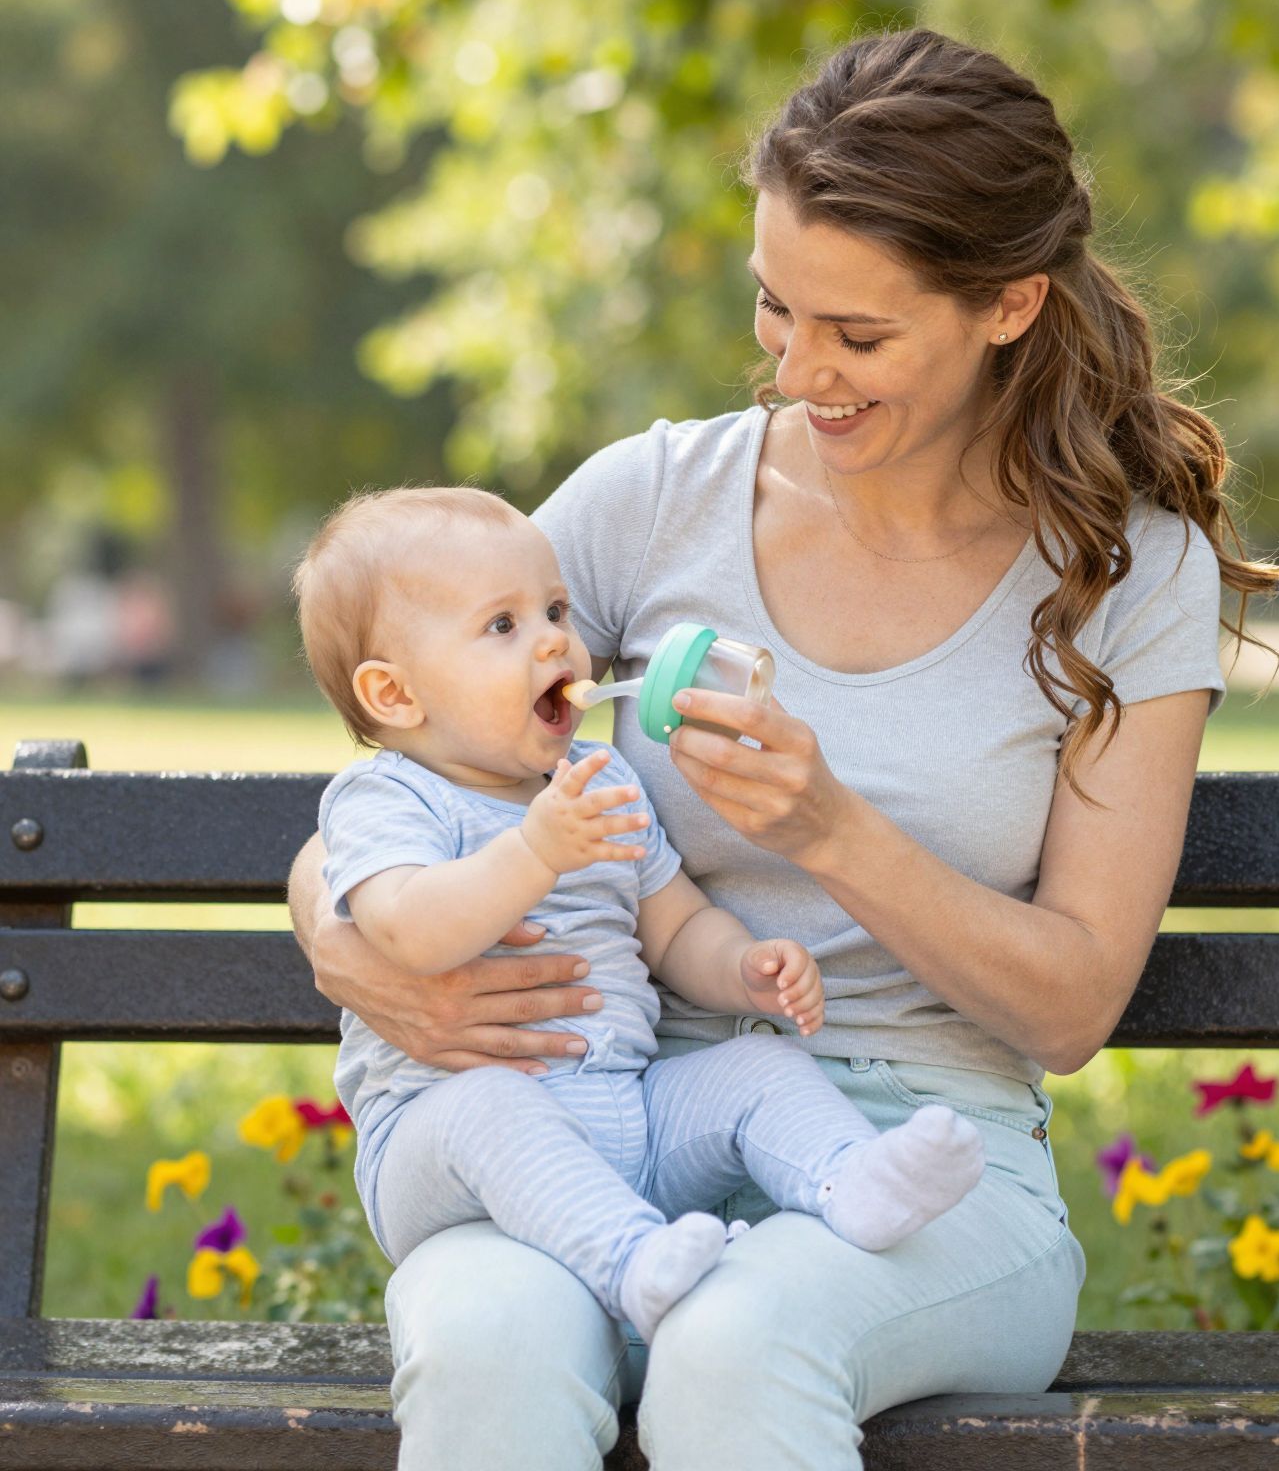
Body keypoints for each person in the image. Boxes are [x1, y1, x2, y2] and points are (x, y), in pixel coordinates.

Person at [286, 27, 1279, 1470]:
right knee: (483, 1336)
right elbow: (391, 769)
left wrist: (833, 831)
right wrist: (348, 943)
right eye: (776, 311)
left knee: (733, 1346)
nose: (797, 374)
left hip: (926, 1169)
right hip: (610, 1129)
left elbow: (1071, 1005)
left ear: (1007, 306)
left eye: (858, 335)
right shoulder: (653, 503)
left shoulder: (1128, 574)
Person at [292, 486, 986, 1344]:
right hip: (444, 1144)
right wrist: (535, 852)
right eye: (502, 627)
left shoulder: (601, 780)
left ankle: (855, 1182)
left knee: (756, 1072)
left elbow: (676, 925)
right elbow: (407, 930)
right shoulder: (388, 798)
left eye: (554, 609)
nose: (554, 639)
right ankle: (632, 1264)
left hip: (628, 1109)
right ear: (394, 695)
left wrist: (744, 968)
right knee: (490, 1110)